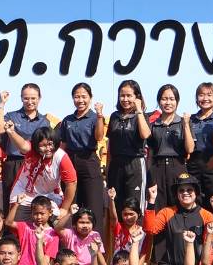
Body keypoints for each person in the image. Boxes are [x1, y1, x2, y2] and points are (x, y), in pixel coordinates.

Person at [59, 84, 107, 226]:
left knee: (93, 205)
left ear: (90, 98)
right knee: (71, 205)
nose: (80, 100)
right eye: (77, 97)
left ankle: (96, 239)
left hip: (89, 161)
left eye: (84, 97)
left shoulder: (95, 117)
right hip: (69, 161)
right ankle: (70, 238)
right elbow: (63, 144)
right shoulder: (67, 120)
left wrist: (99, 115)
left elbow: (99, 137)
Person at [0, 84, 52, 200]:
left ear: (39, 98)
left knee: (35, 202)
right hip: (14, 164)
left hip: (35, 164)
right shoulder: (12, 116)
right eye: (26, 98)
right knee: (11, 201)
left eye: (33, 98)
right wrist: (2, 104)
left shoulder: (45, 122)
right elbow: (0, 130)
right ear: (21, 98)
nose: (30, 102)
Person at [8, 127, 77, 217]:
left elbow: (71, 183)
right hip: (23, 193)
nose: (48, 148)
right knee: (16, 223)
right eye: (43, 145)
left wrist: (64, 208)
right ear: (36, 145)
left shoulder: (61, 157)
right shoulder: (31, 150)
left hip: (49, 195)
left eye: (50, 144)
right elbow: (23, 146)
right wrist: (11, 132)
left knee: (56, 222)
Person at [105, 80, 152, 212]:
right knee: (116, 205)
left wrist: (139, 110)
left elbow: (145, 134)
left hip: (135, 164)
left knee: (134, 206)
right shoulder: (114, 116)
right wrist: (108, 168)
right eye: (122, 96)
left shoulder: (141, 116)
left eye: (129, 96)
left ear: (137, 97)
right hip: (116, 165)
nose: (125, 99)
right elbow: (110, 144)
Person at [145, 84, 193, 209]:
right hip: (157, 168)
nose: (168, 103)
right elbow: (150, 154)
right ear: (159, 101)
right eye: (164, 99)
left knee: (178, 205)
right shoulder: (153, 125)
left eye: (172, 99)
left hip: (177, 167)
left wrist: (186, 125)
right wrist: (150, 176)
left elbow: (190, 149)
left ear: (177, 101)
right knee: (157, 207)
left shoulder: (183, 122)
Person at [187, 82, 213, 204]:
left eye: (209, 95)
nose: (205, 98)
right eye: (201, 95)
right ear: (196, 98)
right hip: (194, 163)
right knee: (195, 199)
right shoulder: (190, 119)